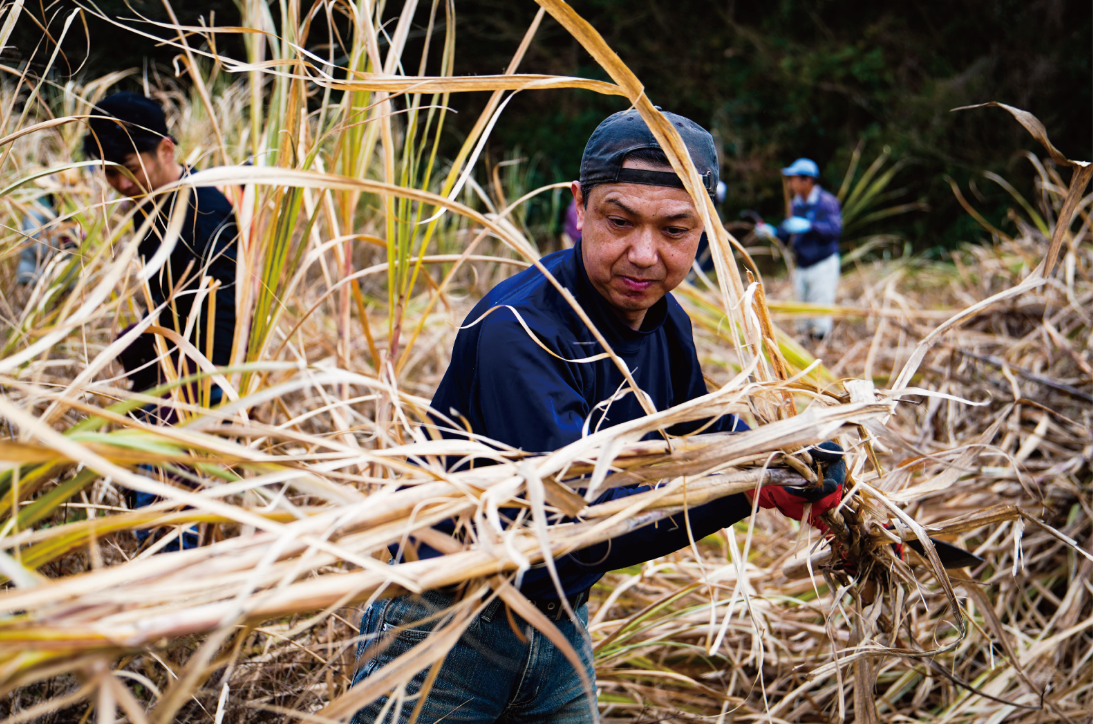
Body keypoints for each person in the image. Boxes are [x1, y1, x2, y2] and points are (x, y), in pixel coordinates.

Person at [350, 109, 847, 723]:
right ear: (579, 206)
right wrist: (749, 489)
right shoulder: (521, 330)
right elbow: (575, 525)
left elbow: (697, 433)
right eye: (620, 221)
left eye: (675, 230)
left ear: (706, 231)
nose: (644, 254)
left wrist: (789, 458)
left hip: (558, 625)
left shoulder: (669, 326)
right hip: (445, 630)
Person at [83, 92, 240, 551]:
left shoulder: (205, 212)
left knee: (168, 496)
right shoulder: (152, 199)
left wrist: (193, 396)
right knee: (148, 484)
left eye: (129, 168)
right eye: (109, 174)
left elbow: (224, 311)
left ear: (166, 150)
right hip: (171, 368)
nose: (121, 184)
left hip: (200, 376)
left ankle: (172, 577)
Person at [755, 158, 842, 339]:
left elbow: (834, 230)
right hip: (802, 264)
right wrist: (771, 232)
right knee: (801, 315)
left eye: (793, 179)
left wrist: (810, 225)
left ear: (807, 180)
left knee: (819, 312)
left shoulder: (827, 202)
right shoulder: (795, 204)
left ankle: (820, 351)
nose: (790, 184)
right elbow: (787, 233)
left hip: (822, 264)